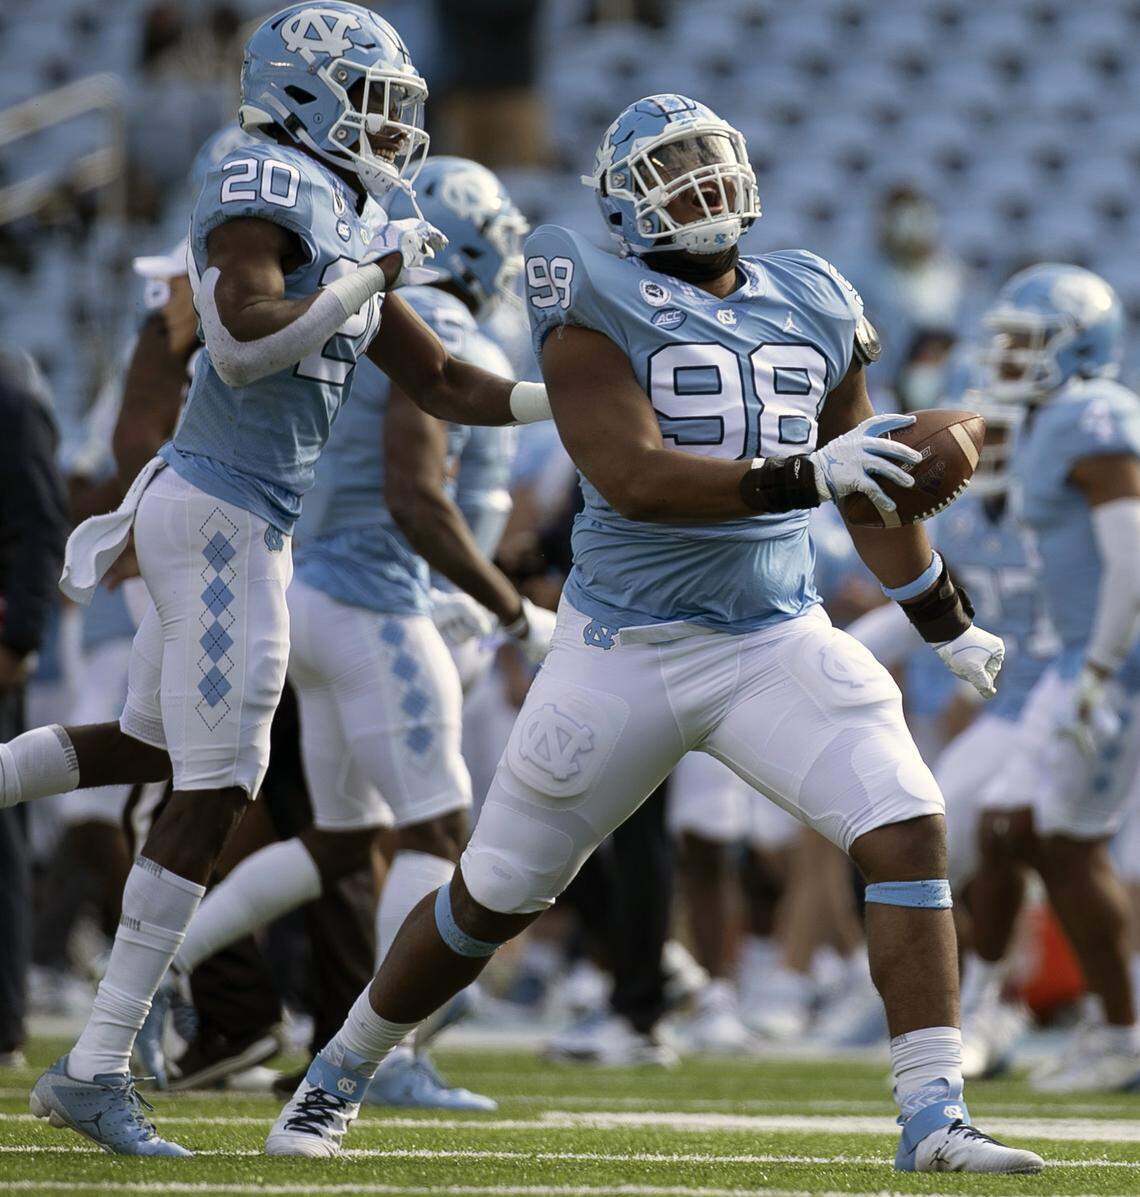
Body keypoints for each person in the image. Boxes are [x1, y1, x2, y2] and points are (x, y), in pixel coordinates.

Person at [266, 93, 1040, 1175]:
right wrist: (804, 475)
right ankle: (338, 1072)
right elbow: (629, 475)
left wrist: (942, 616)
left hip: (773, 637)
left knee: (908, 823)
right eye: (667, 171)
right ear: (623, 205)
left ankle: (933, 1114)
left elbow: (870, 482)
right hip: (625, 647)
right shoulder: (588, 283)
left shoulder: (815, 292)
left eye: (706, 160)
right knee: (491, 896)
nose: (697, 185)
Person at [6, 3, 549, 1156]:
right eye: (372, 101)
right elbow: (244, 340)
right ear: (304, 95)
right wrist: (364, 279)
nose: (391, 128)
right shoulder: (263, 177)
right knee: (222, 782)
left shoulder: (341, 206)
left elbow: (443, 380)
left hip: (233, 514)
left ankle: (98, 1057)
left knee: (150, 748)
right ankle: (97, 1062)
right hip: (222, 512)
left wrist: (575, 407)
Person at [157, 154, 548, 1110]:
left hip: (316, 593)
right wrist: (509, 607)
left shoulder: (370, 306)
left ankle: (163, 962)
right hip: (378, 601)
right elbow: (416, 493)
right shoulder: (443, 323)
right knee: (437, 828)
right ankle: (394, 1054)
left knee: (343, 840)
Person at [964, 264, 1140, 1091]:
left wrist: (1099, 670)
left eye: (1026, 341)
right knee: (1010, 827)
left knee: (1070, 843)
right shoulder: (1049, 419)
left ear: (1079, 347)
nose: (1007, 357)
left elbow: (1131, 561)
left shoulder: (1089, 414)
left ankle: (1120, 1031)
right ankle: (1012, 1006)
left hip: (1109, 663)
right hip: (1078, 659)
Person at [0, 348, 69, 1067]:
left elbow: (43, 523)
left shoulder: (10, 398)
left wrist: (18, 638)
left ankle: (3, 1024)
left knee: (1, 835)